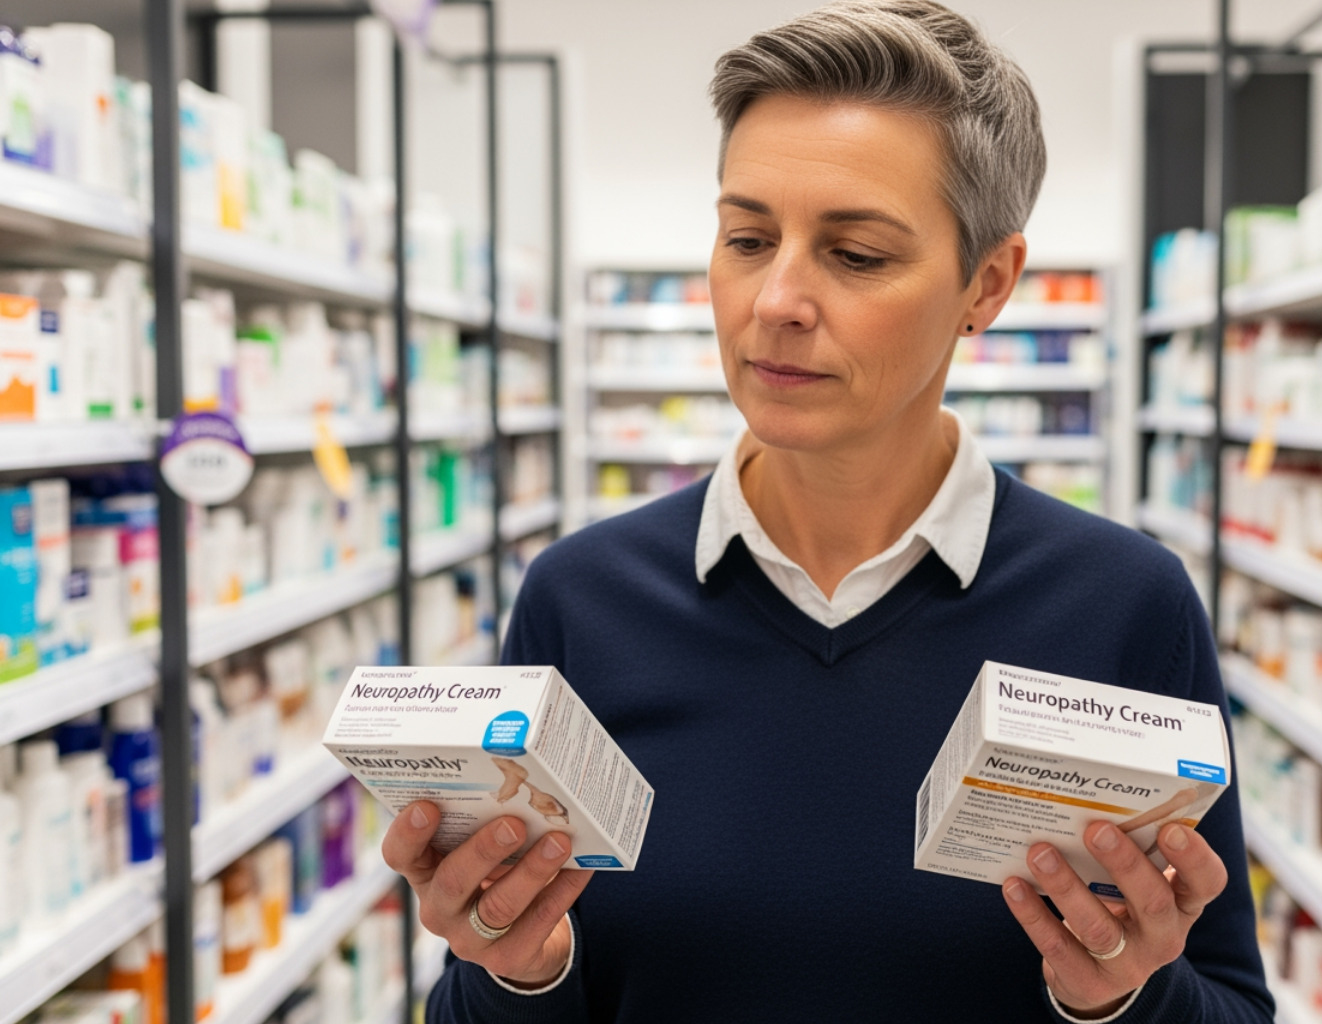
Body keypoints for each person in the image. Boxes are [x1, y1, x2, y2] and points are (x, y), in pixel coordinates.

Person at [383, 2, 1274, 1020]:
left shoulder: (1123, 605)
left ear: (986, 284)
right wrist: (518, 972)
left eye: (855, 254)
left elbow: (1233, 1003)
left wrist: (1124, 999)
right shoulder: (581, 599)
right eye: (747, 238)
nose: (776, 301)